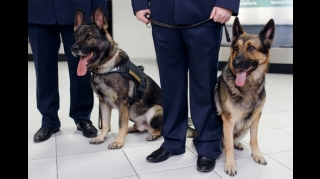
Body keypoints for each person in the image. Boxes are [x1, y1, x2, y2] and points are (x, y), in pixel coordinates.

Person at [132, 0, 240, 172]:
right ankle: (173, 140)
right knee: (170, 84)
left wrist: (227, 3)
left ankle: (208, 144)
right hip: (162, 14)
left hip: (205, 14)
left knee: (204, 83)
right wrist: (139, 4)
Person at [28, 0, 107, 142]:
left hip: (77, 7)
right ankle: (48, 120)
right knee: (43, 69)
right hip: (37, 10)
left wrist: (97, 9)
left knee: (81, 70)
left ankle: (83, 117)